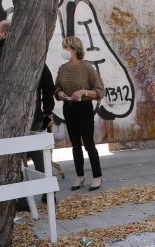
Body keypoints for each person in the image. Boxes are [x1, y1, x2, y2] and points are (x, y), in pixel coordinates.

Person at [0, 19, 56, 174]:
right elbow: (48, 84)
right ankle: (48, 191)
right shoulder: (32, 55)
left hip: (5, 117)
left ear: (5, 34)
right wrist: (47, 111)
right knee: (38, 152)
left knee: (16, 155)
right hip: (33, 114)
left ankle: (22, 195)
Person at [54, 36, 105, 191]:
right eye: (63, 47)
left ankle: (97, 176)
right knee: (75, 144)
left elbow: (100, 91)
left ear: (75, 49)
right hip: (68, 108)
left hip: (84, 108)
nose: (64, 50)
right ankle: (80, 175)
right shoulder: (63, 68)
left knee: (88, 143)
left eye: (66, 47)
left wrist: (84, 92)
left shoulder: (87, 68)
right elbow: (57, 88)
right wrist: (60, 93)